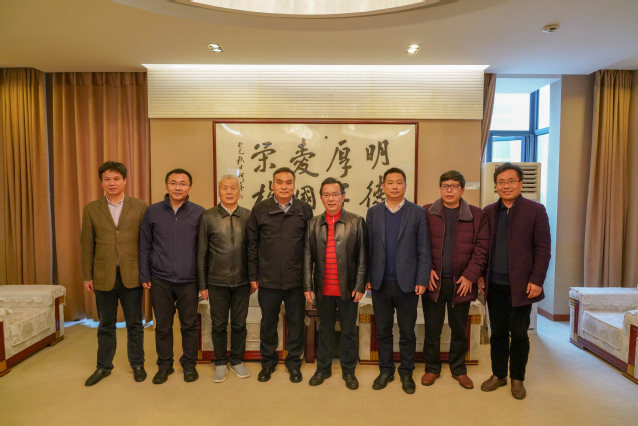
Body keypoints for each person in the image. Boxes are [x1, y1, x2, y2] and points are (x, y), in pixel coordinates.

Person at [479, 162, 551, 400]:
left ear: (521, 184)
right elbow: (482, 247)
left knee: (519, 333)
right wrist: (480, 275)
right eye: (501, 182)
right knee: (498, 333)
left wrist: (537, 279)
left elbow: (543, 248)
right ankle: (498, 375)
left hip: (522, 286)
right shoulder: (489, 211)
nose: (506, 185)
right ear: (496, 186)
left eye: (511, 181)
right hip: (494, 284)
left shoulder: (535, 210)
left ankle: (517, 378)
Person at [81, 161, 148, 386]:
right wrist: (87, 275)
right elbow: (87, 245)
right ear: (101, 182)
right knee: (105, 324)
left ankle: (137, 364)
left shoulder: (140, 207)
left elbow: (146, 243)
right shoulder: (91, 209)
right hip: (103, 275)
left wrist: (146, 273)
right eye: (107, 179)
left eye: (116, 179)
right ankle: (103, 366)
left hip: (132, 274)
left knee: (135, 324)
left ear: (124, 181)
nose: (112, 183)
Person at [422, 170, 490, 389]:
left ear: (462, 189)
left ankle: (459, 369)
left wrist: (470, 276)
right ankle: (432, 368)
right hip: (434, 281)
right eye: (445, 186)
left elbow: (482, 249)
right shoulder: (427, 212)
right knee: (432, 328)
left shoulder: (477, 215)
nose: (449, 190)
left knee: (459, 328)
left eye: (454, 186)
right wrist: (426, 269)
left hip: (462, 282)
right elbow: (419, 244)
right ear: (440, 188)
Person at [366, 167, 431, 394]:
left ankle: (406, 372)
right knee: (383, 331)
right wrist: (367, 277)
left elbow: (424, 249)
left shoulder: (417, 212)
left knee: (407, 332)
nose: (394, 186)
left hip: (408, 284)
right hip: (380, 282)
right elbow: (368, 248)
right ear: (383, 186)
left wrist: (422, 279)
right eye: (390, 182)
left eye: (399, 182)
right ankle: (385, 370)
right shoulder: (373, 212)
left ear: (405, 186)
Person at [247, 167, 313, 383]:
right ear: (272, 185)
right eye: (279, 182)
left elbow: (309, 247)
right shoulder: (260, 209)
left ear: (294, 185)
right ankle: (268, 362)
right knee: (268, 322)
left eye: (288, 182)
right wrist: (253, 274)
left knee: (296, 323)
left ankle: (294, 363)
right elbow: (252, 244)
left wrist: (308, 280)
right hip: (268, 279)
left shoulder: (304, 209)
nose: (284, 186)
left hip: (296, 279)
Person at [139, 168, 204, 384]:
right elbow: (144, 244)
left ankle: (189, 365)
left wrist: (202, 280)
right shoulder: (152, 211)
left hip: (189, 280)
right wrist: (144, 274)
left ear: (189, 188)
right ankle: (164, 365)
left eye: (183, 183)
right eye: (173, 183)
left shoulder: (199, 213)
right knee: (163, 326)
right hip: (160, 279)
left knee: (189, 325)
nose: (178, 187)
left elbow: (203, 250)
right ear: (167, 186)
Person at [303, 177, 367, 390]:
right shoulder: (313, 223)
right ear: (321, 198)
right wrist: (307, 286)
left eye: (335, 194)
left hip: (348, 288)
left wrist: (359, 286)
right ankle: (323, 368)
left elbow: (362, 257)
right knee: (325, 330)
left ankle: (349, 371)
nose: (331, 199)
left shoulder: (356, 221)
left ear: (343, 197)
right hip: (323, 288)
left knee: (348, 331)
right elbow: (307, 257)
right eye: (326, 195)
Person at [197, 175, 252, 383]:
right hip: (216, 281)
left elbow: (253, 250)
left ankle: (236, 360)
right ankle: (220, 362)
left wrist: (253, 278)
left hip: (242, 282)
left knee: (239, 324)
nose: (229, 192)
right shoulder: (208, 216)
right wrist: (202, 284)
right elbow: (201, 253)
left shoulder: (248, 215)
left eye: (233, 188)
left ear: (239, 192)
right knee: (218, 325)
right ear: (219, 191)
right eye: (224, 188)